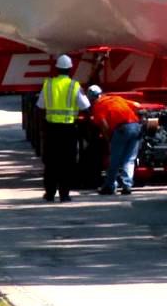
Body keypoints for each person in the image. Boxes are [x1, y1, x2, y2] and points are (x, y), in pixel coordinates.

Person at [35, 55, 90, 201]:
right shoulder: (74, 86)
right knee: (67, 163)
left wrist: (42, 128)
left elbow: (40, 107)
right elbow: (86, 106)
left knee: (51, 162)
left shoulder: (48, 84)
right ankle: (64, 195)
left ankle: (50, 193)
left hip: (51, 129)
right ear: (70, 69)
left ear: (57, 68)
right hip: (68, 130)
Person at [87, 85, 142, 195]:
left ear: (91, 98)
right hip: (136, 126)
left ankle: (109, 186)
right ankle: (127, 186)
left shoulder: (98, 106)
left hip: (121, 129)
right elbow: (137, 105)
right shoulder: (116, 98)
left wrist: (109, 140)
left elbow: (104, 126)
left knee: (115, 160)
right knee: (129, 159)